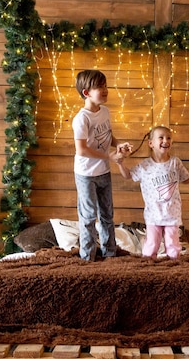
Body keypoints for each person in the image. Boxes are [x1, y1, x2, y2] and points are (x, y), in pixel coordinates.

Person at [116, 126, 189, 259]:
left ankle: (173, 267)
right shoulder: (145, 166)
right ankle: (147, 266)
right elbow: (128, 175)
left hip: (172, 214)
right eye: (161, 137)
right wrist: (120, 163)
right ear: (151, 143)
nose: (165, 140)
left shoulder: (175, 162)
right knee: (152, 244)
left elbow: (187, 179)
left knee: (173, 245)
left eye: (168, 138)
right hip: (153, 214)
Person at [72, 69, 130, 261]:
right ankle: (87, 257)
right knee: (89, 216)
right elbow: (81, 150)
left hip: (103, 172)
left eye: (105, 85)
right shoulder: (81, 118)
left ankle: (110, 254)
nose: (105, 90)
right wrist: (109, 157)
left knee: (107, 214)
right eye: (99, 87)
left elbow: (107, 135)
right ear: (86, 92)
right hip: (86, 175)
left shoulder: (105, 111)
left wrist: (118, 144)